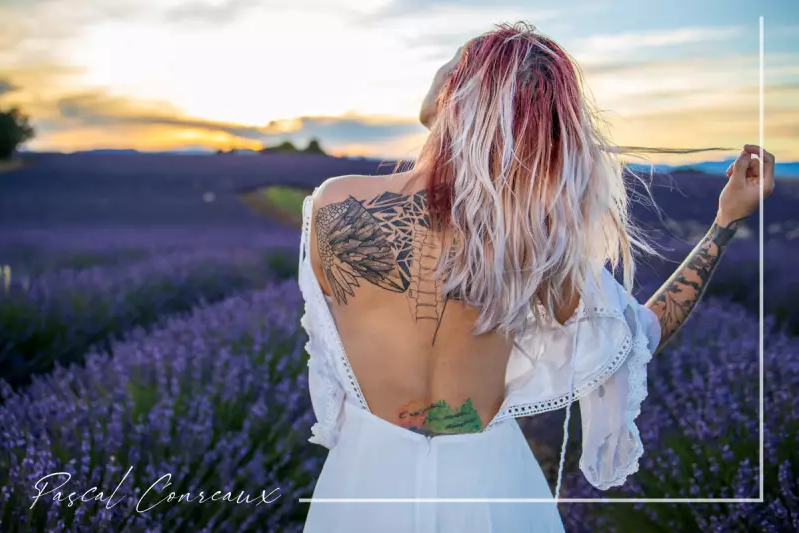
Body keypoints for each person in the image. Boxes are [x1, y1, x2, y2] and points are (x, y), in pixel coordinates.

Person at [297, 21, 775, 533]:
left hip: (367, 484)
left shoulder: (335, 204)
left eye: (453, 59)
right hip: (488, 486)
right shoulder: (531, 240)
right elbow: (636, 338)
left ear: (454, 90)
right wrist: (724, 224)